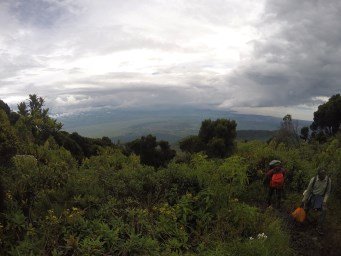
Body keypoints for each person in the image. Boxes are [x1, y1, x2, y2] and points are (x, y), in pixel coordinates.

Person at [301, 169, 331, 235]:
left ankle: (319, 227)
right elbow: (308, 190)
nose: (323, 177)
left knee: (324, 210)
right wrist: (303, 200)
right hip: (312, 196)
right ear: (318, 175)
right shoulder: (314, 179)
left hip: (320, 198)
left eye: (324, 175)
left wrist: (324, 201)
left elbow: (327, 193)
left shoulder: (328, 180)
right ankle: (303, 220)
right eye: (321, 175)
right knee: (305, 207)